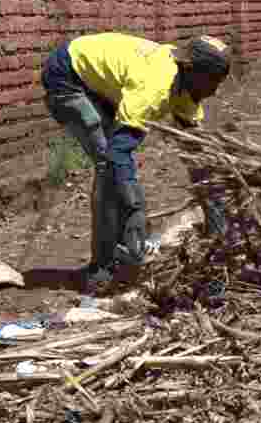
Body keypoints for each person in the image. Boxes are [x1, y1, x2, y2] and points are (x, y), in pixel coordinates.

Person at [41, 31, 231, 292]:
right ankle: (101, 269)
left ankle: (123, 253)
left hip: (103, 85)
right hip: (68, 76)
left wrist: (216, 213)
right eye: (214, 83)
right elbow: (118, 153)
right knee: (108, 167)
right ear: (195, 72)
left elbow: (197, 154)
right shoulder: (155, 86)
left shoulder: (187, 88)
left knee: (119, 174)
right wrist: (135, 207)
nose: (215, 91)